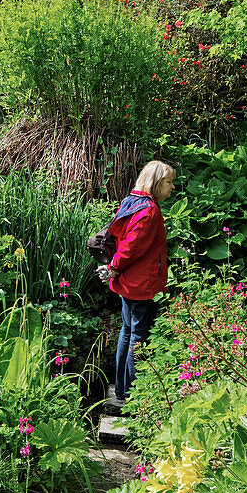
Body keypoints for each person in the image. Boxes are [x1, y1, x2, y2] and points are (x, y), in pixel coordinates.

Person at [102, 160, 176, 403]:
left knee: (128, 331)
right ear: (155, 183)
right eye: (168, 182)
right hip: (141, 285)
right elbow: (131, 247)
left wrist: (115, 269)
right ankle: (134, 396)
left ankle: (122, 390)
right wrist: (114, 267)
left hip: (129, 282)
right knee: (139, 336)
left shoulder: (132, 202)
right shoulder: (150, 211)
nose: (172, 187)